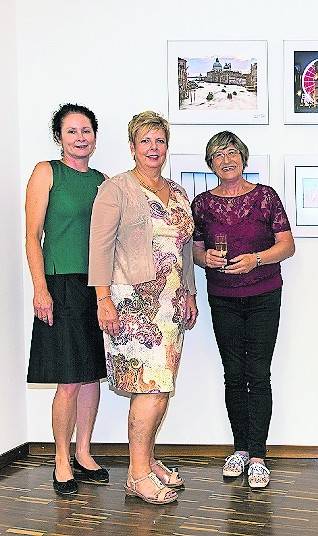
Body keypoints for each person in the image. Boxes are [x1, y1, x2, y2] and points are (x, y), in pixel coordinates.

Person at [89, 111, 198, 505]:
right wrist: (102, 299)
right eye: (145, 141)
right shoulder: (115, 189)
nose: (154, 148)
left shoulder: (179, 193)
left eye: (160, 141)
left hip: (170, 306)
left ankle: (147, 461)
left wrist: (189, 291)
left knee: (160, 388)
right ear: (133, 146)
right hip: (131, 303)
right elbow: (99, 249)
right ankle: (136, 475)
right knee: (148, 388)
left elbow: (184, 250)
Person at [191, 131, 294, 489]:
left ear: (244, 158)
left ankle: (258, 456)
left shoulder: (266, 197)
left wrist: (256, 260)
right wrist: (206, 258)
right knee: (233, 374)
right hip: (222, 297)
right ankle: (239, 448)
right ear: (210, 164)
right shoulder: (202, 203)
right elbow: (195, 250)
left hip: (265, 294)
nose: (226, 159)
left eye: (232, 151)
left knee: (259, 374)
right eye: (218, 154)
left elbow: (287, 246)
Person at [25, 104, 109, 496]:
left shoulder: (102, 181)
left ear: (95, 136)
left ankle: (84, 453)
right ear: (59, 137)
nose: (80, 137)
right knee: (69, 379)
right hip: (60, 283)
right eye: (72, 131)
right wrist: (40, 290)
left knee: (91, 374)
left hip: (96, 287)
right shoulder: (47, 172)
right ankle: (61, 458)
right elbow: (32, 236)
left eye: (86, 131)